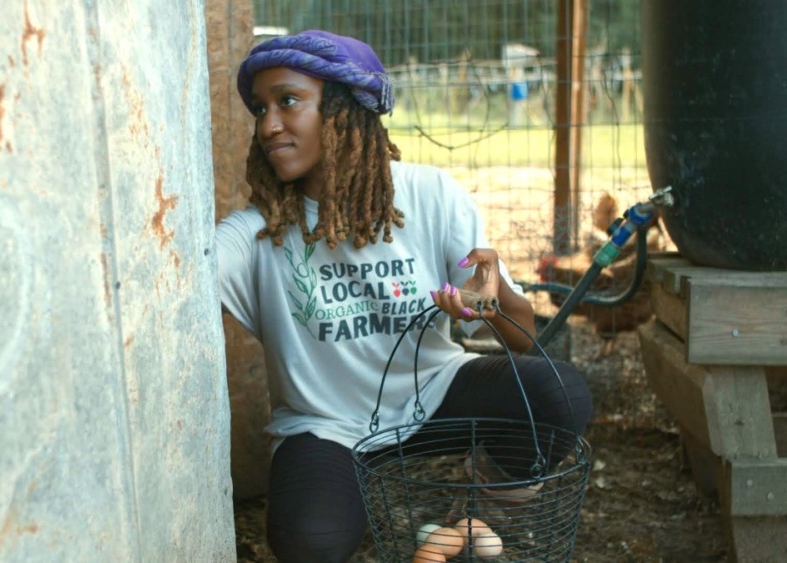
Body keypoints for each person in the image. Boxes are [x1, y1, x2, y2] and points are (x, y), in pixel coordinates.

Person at [217, 29, 593, 562]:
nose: (268, 124)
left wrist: (487, 308)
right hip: (330, 427)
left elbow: (524, 335)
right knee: (310, 542)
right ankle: (361, 505)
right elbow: (185, 283)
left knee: (559, 396)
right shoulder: (256, 233)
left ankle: (473, 518)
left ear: (343, 109)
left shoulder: (429, 195)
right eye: (261, 108)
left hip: (436, 395)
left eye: (289, 101)